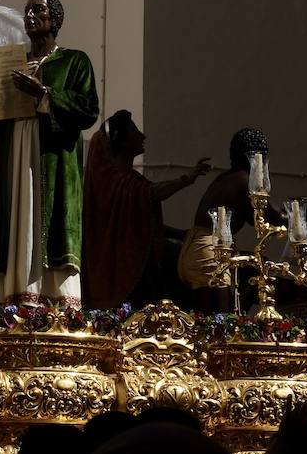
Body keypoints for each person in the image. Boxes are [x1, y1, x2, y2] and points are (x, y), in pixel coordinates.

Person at [0, 0, 98, 303]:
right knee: (20, 211)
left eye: (39, 10)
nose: (30, 16)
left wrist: (45, 93)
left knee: (47, 215)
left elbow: (88, 109)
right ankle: (17, 295)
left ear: (55, 19)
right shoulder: (14, 63)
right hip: (17, 147)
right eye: (27, 11)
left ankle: (54, 299)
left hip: (52, 156)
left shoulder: (74, 61)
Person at [81, 109, 211, 309]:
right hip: (129, 272)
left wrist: (181, 234)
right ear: (123, 141)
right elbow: (151, 193)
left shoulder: (124, 181)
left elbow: (140, 219)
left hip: (141, 266)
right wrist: (187, 179)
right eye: (135, 131)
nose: (143, 136)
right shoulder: (119, 182)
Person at [177, 127, 271, 312]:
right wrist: (302, 216)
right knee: (223, 322)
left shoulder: (226, 178)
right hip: (209, 251)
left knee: (210, 321)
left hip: (196, 248)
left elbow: (254, 219)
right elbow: (269, 217)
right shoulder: (244, 181)